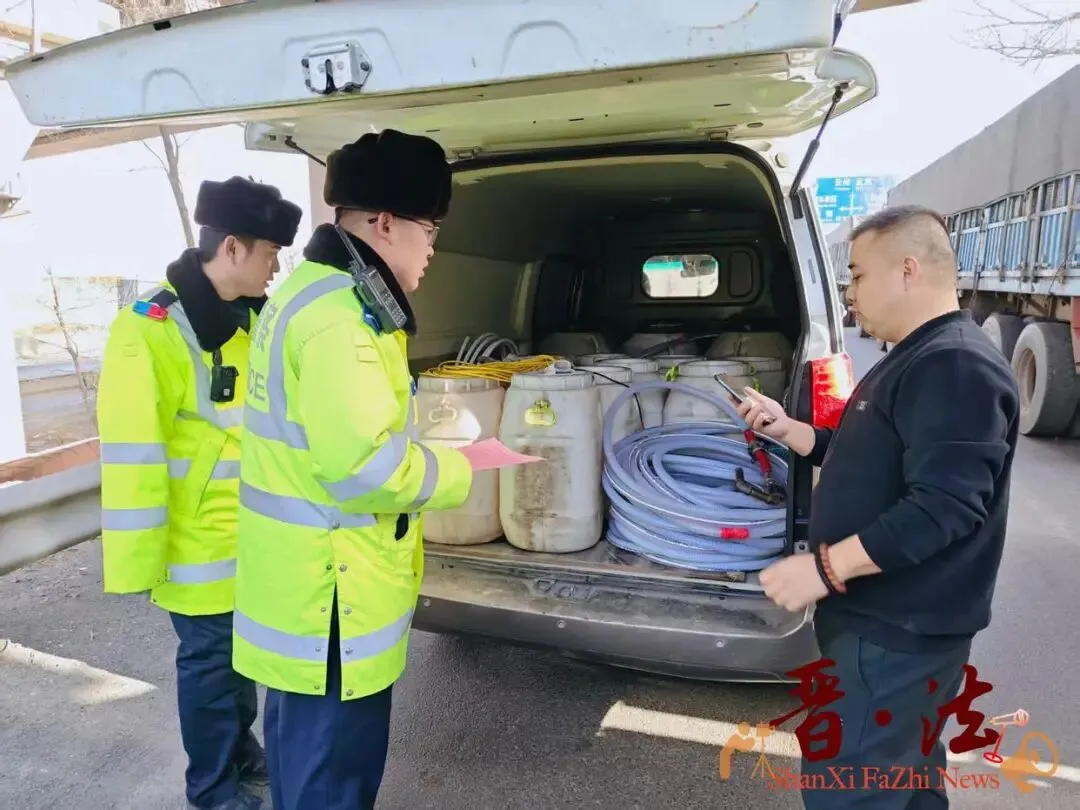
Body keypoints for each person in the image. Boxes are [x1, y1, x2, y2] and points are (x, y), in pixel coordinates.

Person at [734, 205, 1020, 809]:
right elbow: (876, 462)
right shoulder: (919, 354)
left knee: (852, 789)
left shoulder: (954, 364)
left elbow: (943, 508)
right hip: (889, 627)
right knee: (904, 782)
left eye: (858, 275)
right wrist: (791, 431)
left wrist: (824, 568)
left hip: (894, 631)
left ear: (908, 270)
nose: (849, 293)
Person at [233, 129, 475, 810]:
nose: (432, 249)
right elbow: (363, 468)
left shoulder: (308, 292)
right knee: (331, 781)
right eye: (429, 230)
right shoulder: (343, 318)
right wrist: (459, 471)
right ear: (387, 224)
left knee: (304, 769)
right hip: (333, 595)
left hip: (302, 585)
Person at [97, 177, 303, 810]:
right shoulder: (148, 327)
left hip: (254, 532)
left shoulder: (253, 320)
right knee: (212, 669)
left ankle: (239, 753)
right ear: (232, 247)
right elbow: (133, 454)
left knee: (241, 661)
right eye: (271, 254)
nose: (276, 269)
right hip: (195, 545)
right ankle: (213, 790)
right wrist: (138, 563)